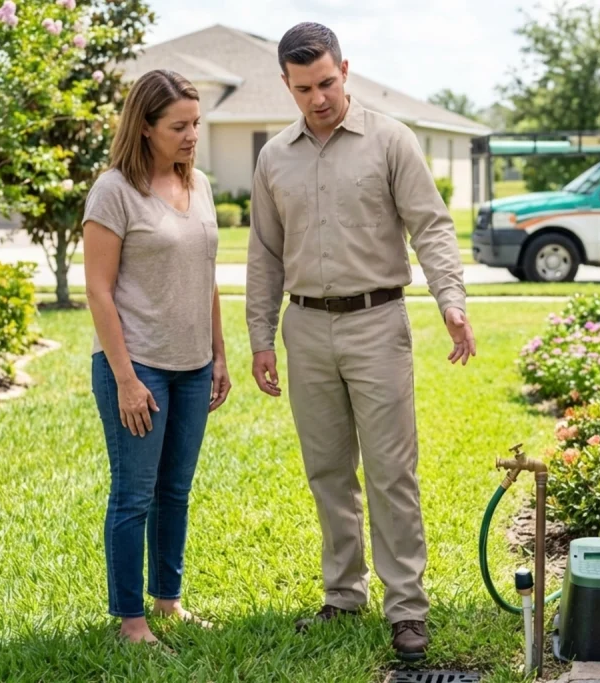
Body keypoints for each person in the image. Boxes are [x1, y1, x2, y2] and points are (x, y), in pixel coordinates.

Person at [246, 22, 476, 662]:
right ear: (286, 86)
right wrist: (261, 336)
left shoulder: (390, 140)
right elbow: (264, 254)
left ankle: (406, 609)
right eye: (302, 89)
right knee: (326, 471)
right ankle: (343, 596)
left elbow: (431, 227)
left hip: (377, 323)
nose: (317, 99)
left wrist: (450, 301)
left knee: (390, 471)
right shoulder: (274, 157)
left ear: (344, 70)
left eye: (325, 83)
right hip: (305, 327)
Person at [83, 69, 231, 646]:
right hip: (137, 366)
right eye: (179, 126)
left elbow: (207, 277)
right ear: (145, 128)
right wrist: (124, 378)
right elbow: (98, 289)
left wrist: (218, 354)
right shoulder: (114, 190)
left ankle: (167, 602)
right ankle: (131, 620)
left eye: (196, 123)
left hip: (193, 366)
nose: (192, 135)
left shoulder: (199, 187)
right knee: (134, 494)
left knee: (176, 491)